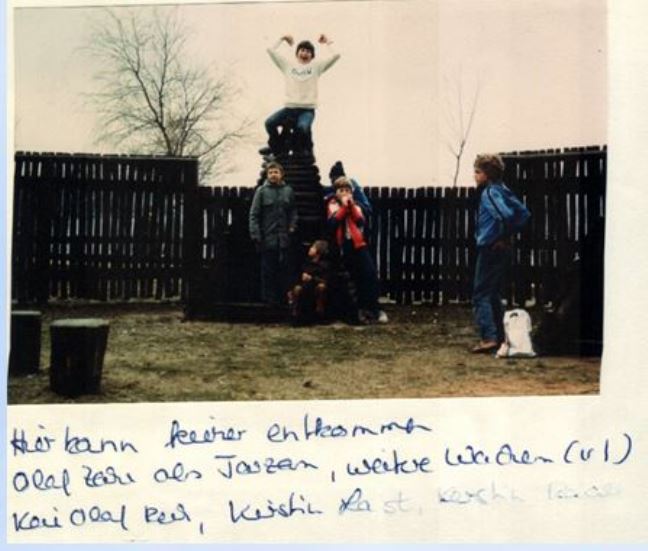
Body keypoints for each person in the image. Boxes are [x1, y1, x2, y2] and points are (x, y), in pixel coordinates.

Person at [471, 154, 530, 353]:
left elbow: (505, 215)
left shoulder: (489, 193)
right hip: (500, 248)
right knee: (493, 293)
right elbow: (523, 213)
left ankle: (489, 337)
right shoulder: (504, 190)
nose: (475, 176)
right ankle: (500, 334)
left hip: (491, 249)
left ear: (487, 174)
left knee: (481, 294)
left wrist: (502, 237)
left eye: (478, 172)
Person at [260, 34, 340, 158]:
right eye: (302, 50)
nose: (304, 53)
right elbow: (270, 50)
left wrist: (328, 42)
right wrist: (281, 38)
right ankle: (276, 147)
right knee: (269, 123)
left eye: (308, 52)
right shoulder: (288, 66)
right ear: (297, 53)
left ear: (312, 56)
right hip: (289, 108)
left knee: (302, 128)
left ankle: (306, 149)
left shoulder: (316, 67)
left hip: (306, 110)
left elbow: (336, 56)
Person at [326, 176, 388, 324]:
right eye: (341, 190)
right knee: (347, 280)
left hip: (357, 245)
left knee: (369, 274)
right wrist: (343, 208)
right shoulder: (332, 204)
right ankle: (353, 312)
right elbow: (333, 222)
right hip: (342, 247)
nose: (345, 193)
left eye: (347, 190)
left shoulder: (357, 205)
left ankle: (374, 309)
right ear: (336, 192)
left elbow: (360, 220)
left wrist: (351, 206)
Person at [249, 161, 298, 305]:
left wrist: (292, 226)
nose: (273, 175)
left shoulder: (288, 191)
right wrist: (256, 235)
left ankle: (283, 298)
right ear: (267, 175)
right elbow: (254, 215)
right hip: (267, 238)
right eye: (270, 173)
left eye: (276, 172)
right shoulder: (261, 192)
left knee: (284, 269)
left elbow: (293, 211)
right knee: (267, 270)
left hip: (284, 238)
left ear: (281, 174)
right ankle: (268, 300)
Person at [288, 239, 331, 323]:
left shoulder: (324, 265)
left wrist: (312, 278)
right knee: (297, 289)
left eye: (313, 248)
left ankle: (320, 310)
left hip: (315, 285)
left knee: (321, 288)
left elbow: (325, 279)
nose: (310, 249)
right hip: (306, 286)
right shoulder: (306, 262)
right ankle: (295, 313)